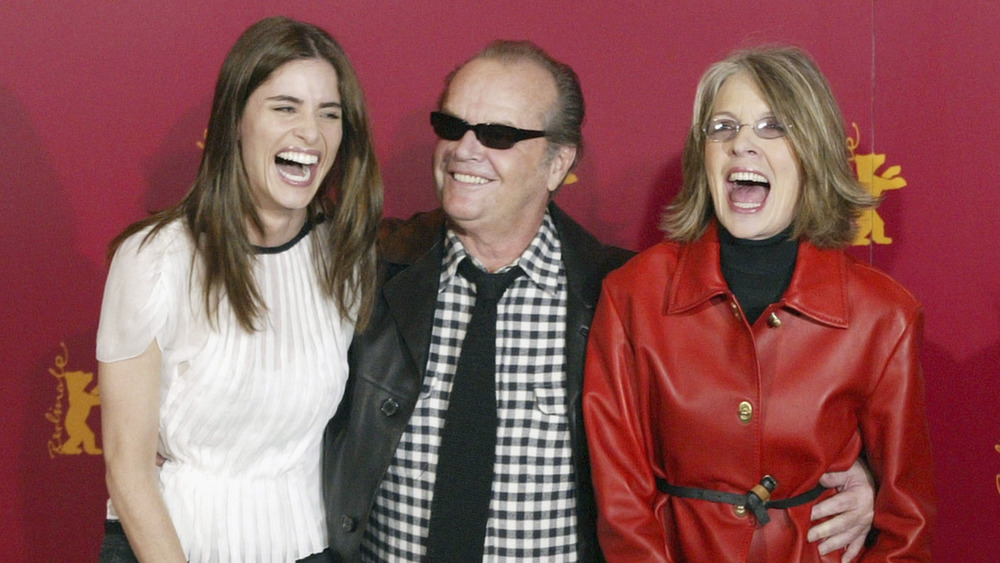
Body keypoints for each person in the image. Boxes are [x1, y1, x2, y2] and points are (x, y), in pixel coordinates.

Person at [322, 40, 875, 562]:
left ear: (558, 162)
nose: (465, 149)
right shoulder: (368, 268)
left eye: (496, 134)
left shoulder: (620, 292)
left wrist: (854, 477)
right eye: (452, 126)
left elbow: (727, 419)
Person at [583, 45, 934, 561]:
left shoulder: (884, 317)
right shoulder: (631, 295)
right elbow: (622, 507)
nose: (741, 144)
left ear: (813, 151)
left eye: (773, 127)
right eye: (722, 127)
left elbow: (907, 524)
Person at [97, 16, 382, 563]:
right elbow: (127, 469)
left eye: (330, 114)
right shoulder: (157, 260)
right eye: (285, 107)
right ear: (235, 122)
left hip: (309, 548)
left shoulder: (346, 259)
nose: (311, 133)